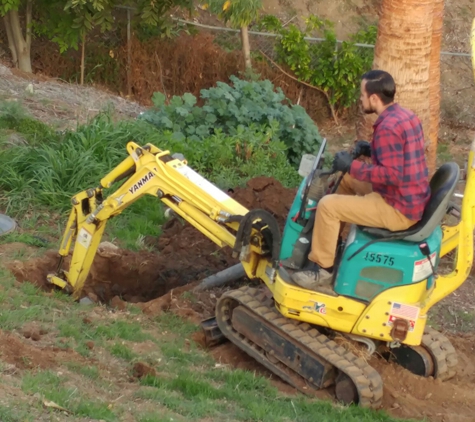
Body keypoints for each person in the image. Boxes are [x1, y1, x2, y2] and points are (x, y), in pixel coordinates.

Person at [292, 69, 431, 291]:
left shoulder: (387, 128)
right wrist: (369, 149)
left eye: (362, 95)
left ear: (374, 98)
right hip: (409, 197)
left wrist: (352, 165)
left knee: (328, 206)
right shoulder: (406, 116)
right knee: (345, 180)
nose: (360, 99)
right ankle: (329, 240)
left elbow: (393, 175)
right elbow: (400, 157)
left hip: (397, 207)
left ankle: (322, 270)